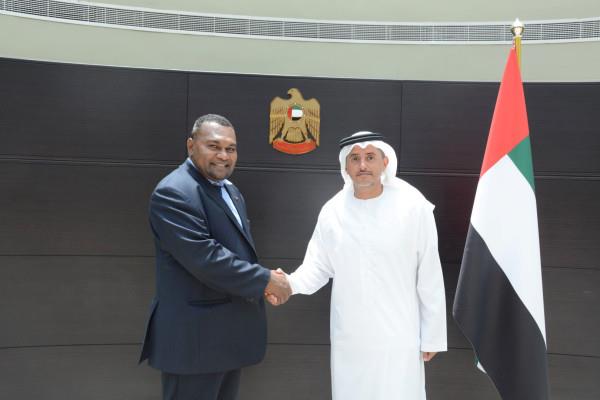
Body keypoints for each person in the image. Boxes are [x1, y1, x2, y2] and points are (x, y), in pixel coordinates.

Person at [270, 131, 447, 399]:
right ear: (346, 166)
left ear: (385, 162)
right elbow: (317, 267)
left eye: (370, 157)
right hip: (350, 338)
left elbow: (429, 273)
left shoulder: (413, 207)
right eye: (355, 158)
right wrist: (288, 284)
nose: (363, 165)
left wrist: (432, 334)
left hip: (399, 336)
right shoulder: (333, 211)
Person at [139, 114, 291, 400]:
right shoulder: (174, 192)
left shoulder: (230, 191)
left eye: (230, 149)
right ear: (191, 146)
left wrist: (264, 281)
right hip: (193, 344)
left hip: (225, 340)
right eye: (214, 146)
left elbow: (236, 252)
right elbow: (206, 259)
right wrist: (265, 280)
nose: (223, 155)